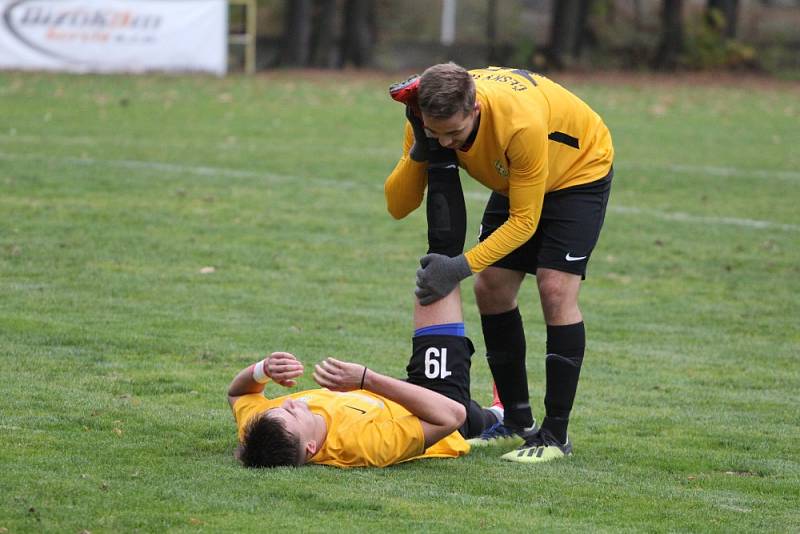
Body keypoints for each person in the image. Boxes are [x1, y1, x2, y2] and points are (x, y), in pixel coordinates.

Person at [384, 63, 614, 463]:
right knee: (491, 288)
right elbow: (398, 205)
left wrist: (457, 267)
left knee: (555, 289)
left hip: (577, 169)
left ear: (475, 110)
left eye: (454, 134)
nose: (446, 143)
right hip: (518, 175)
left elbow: (524, 221)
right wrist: (420, 153)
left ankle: (555, 435)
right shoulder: (425, 117)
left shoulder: (517, 123)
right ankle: (515, 422)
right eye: (436, 132)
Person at [228, 286, 501, 468]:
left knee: (435, 275)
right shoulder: (363, 444)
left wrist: (263, 369)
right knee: (435, 279)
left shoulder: (262, 429)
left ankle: (504, 413)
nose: (288, 404)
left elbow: (239, 393)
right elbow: (452, 415)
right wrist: (365, 379)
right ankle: (506, 416)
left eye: (280, 407)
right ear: (311, 447)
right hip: (438, 407)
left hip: (394, 395)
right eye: (294, 414)